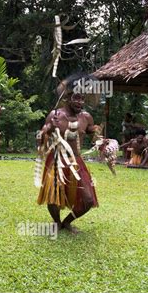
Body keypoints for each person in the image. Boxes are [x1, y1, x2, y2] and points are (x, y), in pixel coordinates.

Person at [36, 74, 101, 234]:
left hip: (76, 162)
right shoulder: (55, 115)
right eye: (77, 98)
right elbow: (41, 138)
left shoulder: (86, 117)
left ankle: (67, 222)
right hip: (57, 159)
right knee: (53, 197)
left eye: (82, 99)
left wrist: (99, 137)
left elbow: (94, 134)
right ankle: (57, 222)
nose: (80, 102)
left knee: (88, 200)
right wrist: (50, 128)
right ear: (67, 98)